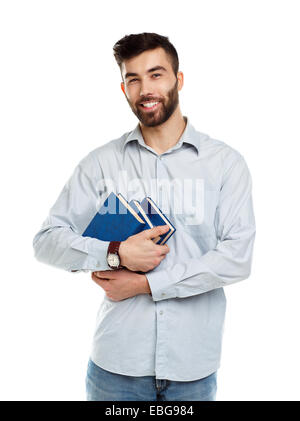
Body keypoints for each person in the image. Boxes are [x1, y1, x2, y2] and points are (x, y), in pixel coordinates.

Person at [32, 32, 256, 401]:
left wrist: (145, 285)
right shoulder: (101, 162)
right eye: (133, 79)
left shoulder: (225, 165)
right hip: (115, 369)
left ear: (178, 80)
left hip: (193, 370)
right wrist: (115, 251)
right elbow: (46, 242)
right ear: (123, 89)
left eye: (156, 74)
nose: (145, 88)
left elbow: (236, 260)